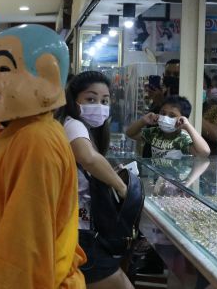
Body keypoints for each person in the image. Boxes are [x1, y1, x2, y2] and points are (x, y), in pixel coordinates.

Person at [0, 24, 86, 288]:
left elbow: (22, 252)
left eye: (2, 69)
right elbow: (13, 195)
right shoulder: (20, 132)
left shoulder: (35, 141)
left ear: (48, 78)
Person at [55, 71, 133, 289]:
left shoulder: (84, 129)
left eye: (104, 100)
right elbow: (87, 157)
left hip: (82, 228)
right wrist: (120, 185)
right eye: (90, 99)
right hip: (79, 231)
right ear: (74, 99)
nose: (98, 105)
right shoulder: (73, 124)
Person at [126, 96, 210, 159]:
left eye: (172, 116)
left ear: (182, 119)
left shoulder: (182, 139)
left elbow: (204, 152)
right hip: (158, 179)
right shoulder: (154, 133)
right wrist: (143, 121)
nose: (165, 117)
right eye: (162, 113)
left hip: (176, 181)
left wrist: (187, 126)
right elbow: (130, 133)